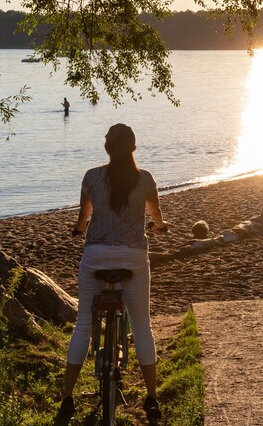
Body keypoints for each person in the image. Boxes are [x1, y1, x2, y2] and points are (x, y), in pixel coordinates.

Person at [57, 124, 167, 425]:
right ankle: (152, 398)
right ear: (133, 147)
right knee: (142, 325)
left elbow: (83, 217)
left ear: (107, 148)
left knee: (83, 324)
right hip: (132, 258)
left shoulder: (92, 177)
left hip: (95, 257)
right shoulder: (144, 179)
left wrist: (80, 230)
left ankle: (67, 398)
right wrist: (158, 227)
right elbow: (156, 215)